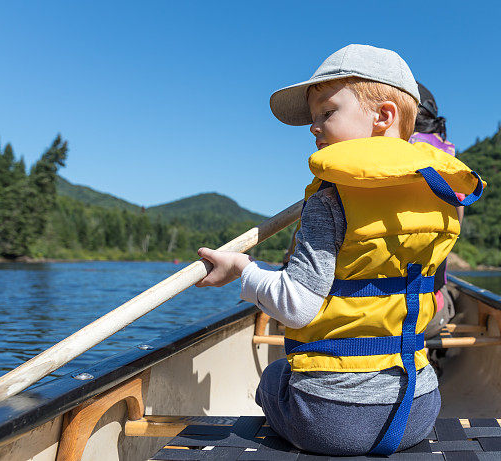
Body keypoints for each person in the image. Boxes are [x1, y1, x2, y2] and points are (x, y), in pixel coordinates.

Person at [194, 44, 484, 456]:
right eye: (312, 120)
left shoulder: (330, 201)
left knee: (274, 376)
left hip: (331, 420)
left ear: (383, 116)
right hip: (418, 409)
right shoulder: (439, 194)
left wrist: (242, 270)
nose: (314, 128)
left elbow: (296, 306)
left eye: (326, 114)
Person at [409, 83, 462, 339]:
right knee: (450, 294)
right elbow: (455, 230)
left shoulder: (364, 159)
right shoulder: (449, 161)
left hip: (356, 317)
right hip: (424, 316)